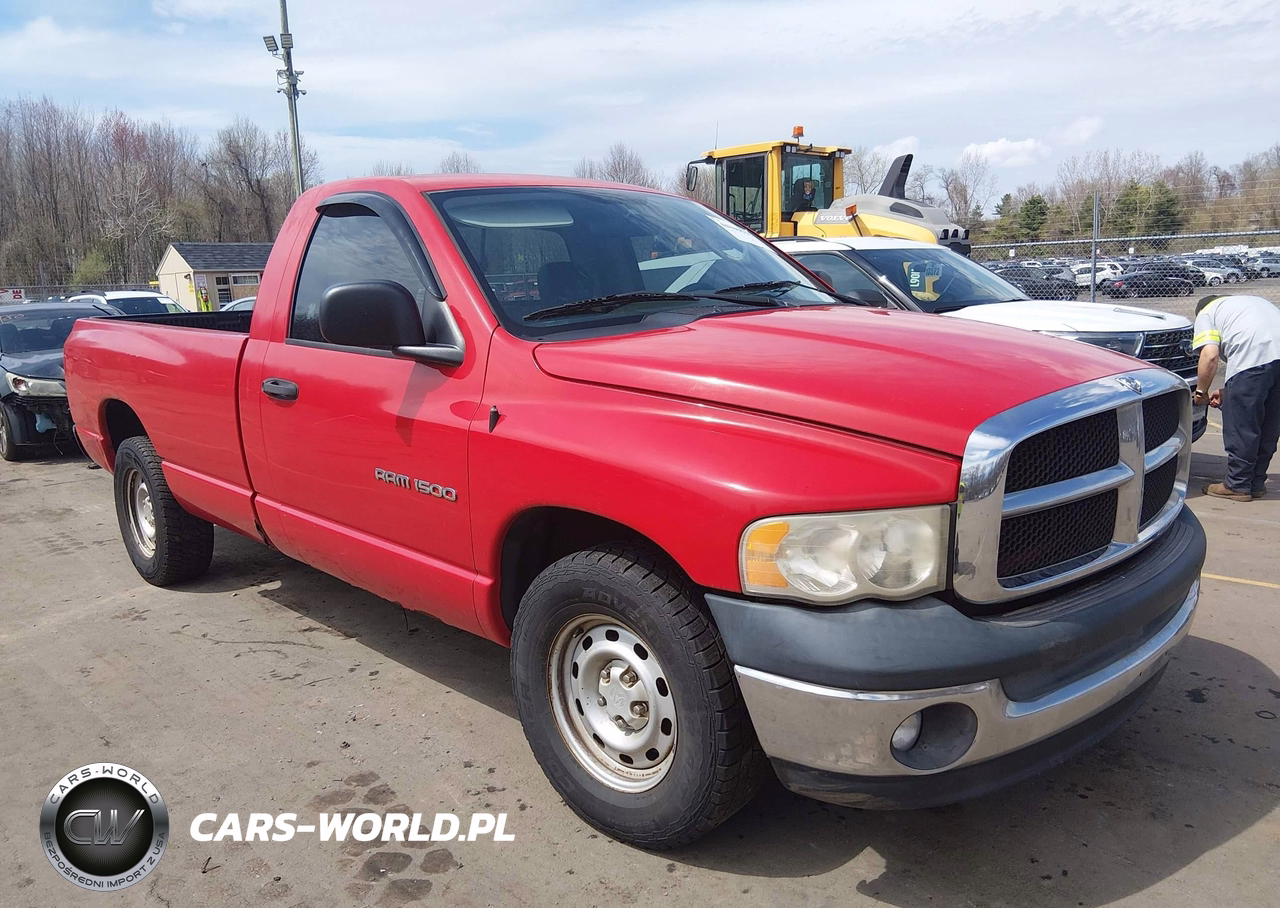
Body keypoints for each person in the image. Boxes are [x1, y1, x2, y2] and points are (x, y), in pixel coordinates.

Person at [1191, 294, 1280, 501]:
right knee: (1269, 422)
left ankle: (1237, 484)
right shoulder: (1249, 303)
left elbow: (1210, 355)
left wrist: (1201, 393)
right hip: (1271, 358)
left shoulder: (1206, 313)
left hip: (1252, 359)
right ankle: (1256, 482)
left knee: (1242, 424)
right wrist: (1227, 392)